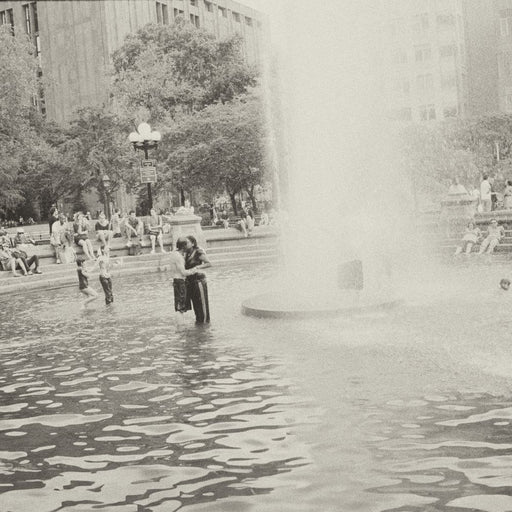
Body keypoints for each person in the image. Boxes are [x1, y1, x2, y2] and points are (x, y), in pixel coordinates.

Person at [169, 237, 199, 321]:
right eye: (187, 244)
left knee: (180, 305)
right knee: (180, 307)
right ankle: (181, 326)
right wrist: (194, 270)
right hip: (180, 281)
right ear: (184, 246)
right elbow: (183, 272)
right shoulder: (178, 257)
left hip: (177, 280)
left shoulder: (174, 254)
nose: (188, 246)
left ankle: (180, 325)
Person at [184, 235, 212, 323]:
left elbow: (208, 263)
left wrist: (197, 267)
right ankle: (199, 322)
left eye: (187, 242)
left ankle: (205, 323)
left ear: (193, 243)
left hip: (199, 281)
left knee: (202, 305)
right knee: (196, 305)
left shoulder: (198, 252)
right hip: (190, 282)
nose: (185, 244)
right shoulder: (185, 253)